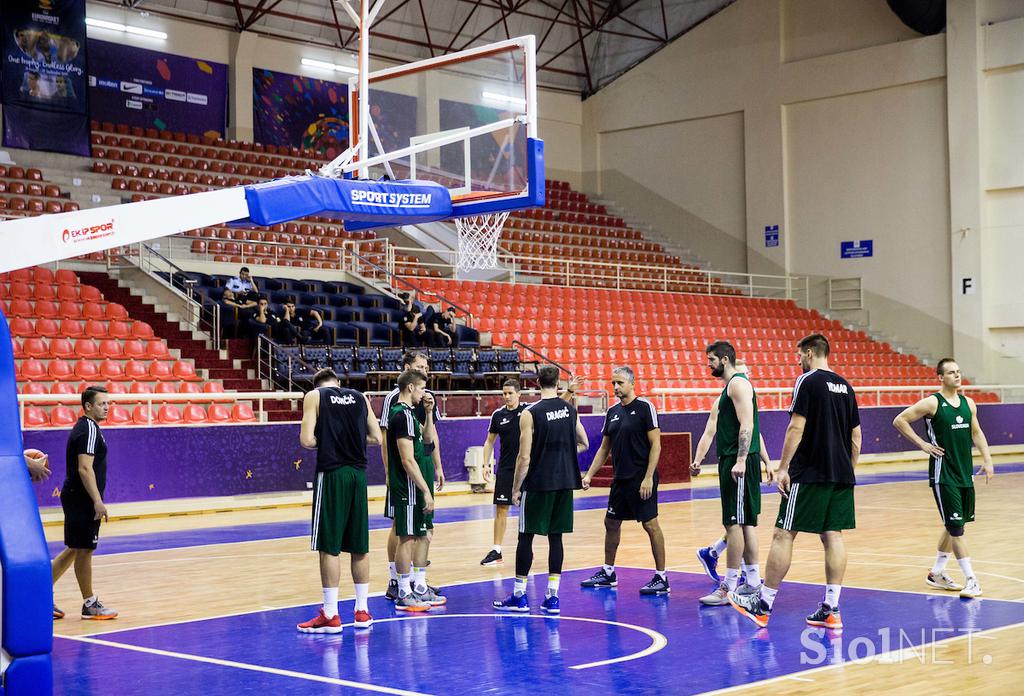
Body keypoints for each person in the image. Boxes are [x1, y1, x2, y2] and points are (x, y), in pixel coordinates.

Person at [728, 334, 860, 630]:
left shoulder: (808, 381)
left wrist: (784, 467)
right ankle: (832, 608)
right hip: (841, 473)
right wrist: (849, 472)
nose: (797, 361)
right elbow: (856, 436)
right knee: (833, 536)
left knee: (783, 534)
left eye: (799, 355)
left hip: (809, 471)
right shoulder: (846, 386)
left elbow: (795, 426)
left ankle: (763, 605)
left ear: (810, 352)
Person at [892, 358, 994, 598]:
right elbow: (900, 420)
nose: (957, 376)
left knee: (953, 526)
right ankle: (971, 579)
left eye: (958, 372)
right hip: (944, 474)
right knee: (957, 529)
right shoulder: (932, 403)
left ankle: (937, 572)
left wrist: (987, 460)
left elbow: (976, 432)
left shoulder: (969, 403)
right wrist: (922, 444)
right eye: (951, 373)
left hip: (964, 473)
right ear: (940, 377)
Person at [493, 365, 588, 615]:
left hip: (538, 483)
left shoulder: (530, 413)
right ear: (558, 383)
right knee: (556, 538)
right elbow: (584, 443)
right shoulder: (570, 410)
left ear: (536, 383)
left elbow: (524, 458)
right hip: (566, 481)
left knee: (526, 536)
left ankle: (520, 596)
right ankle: (552, 597)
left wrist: (515, 489)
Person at [296, 369, 383, 633]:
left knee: (329, 545)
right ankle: (362, 611)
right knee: (359, 546)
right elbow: (377, 438)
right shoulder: (359, 396)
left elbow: (306, 440)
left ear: (317, 385)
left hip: (332, 474)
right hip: (358, 475)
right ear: (338, 383)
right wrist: (351, 440)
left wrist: (331, 441)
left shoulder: (314, 396)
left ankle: (331, 614)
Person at [688, 343, 766, 606]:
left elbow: (749, 424)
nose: (708, 364)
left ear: (724, 359)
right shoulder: (728, 390)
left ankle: (729, 586)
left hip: (737, 461)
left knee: (734, 525)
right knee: (744, 524)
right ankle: (753, 582)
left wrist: (742, 459)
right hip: (734, 460)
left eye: (711, 360)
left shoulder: (738, 384)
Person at [579, 366, 668, 595]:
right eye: (613, 384)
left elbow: (656, 445)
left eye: (619, 383)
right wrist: (589, 474)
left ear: (631, 383)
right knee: (611, 523)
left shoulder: (645, 407)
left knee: (650, 525)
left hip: (641, 479)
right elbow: (604, 448)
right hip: (620, 480)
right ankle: (609, 573)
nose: (616, 387)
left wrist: (649, 477)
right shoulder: (612, 412)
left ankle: (661, 577)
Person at [480, 375, 584, 567]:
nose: (507, 397)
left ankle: (528, 550)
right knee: (501, 509)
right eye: (504, 393)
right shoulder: (498, 415)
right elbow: (489, 441)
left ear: (519, 394)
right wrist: (486, 464)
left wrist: (569, 391)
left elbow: (554, 407)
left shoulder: (529, 411)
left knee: (528, 514)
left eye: (510, 393)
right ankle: (497, 550)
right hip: (506, 468)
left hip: (528, 468)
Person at [378, 351, 445, 603]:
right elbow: (386, 440)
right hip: (404, 471)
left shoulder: (425, 399)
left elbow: (431, 437)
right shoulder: (395, 403)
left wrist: (438, 466)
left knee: (424, 528)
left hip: (423, 463)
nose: (425, 370)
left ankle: (418, 582)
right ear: (408, 370)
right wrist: (388, 471)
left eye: (427, 366)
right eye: (420, 367)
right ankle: (397, 581)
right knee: (402, 528)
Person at [51, 387, 118, 621]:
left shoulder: (89, 428)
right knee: (85, 550)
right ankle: (90, 605)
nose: (107, 407)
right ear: (88, 406)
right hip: (82, 498)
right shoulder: (89, 429)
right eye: (102, 403)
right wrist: (97, 501)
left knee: (75, 548)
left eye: (108, 403)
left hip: (77, 496)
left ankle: (37, 594)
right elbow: (84, 467)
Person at [386, 369, 437, 611]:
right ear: (410, 388)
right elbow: (407, 460)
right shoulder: (400, 414)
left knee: (416, 535)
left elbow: (427, 443)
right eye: (422, 389)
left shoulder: (410, 414)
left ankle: (413, 588)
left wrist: (427, 413)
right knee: (405, 538)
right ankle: (403, 591)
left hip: (411, 485)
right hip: (406, 487)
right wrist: (425, 490)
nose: (423, 394)